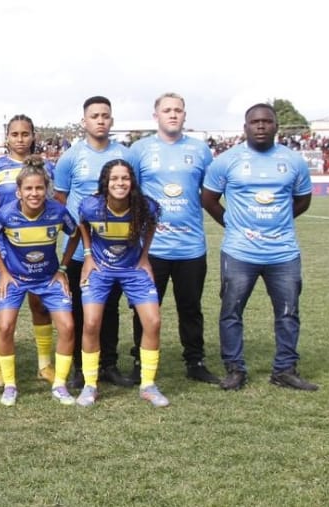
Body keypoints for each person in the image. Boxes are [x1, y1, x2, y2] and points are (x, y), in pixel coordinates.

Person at [201, 104, 316, 391]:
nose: (261, 126)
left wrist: (279, 223)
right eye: (255, 122)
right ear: (245, 127)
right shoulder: (227, 161)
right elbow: (209, 199)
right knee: (231, 311)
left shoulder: (294, 161)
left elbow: (302, 200)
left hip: (284, 253)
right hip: (240, 251)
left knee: (288, 312)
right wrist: (232, 224)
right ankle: (235, 369)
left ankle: (285, 369)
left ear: (276, 126)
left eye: (267, 121)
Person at [128, 93, 220, 384]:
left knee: (190, 307)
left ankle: (195, 361)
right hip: (151, 249)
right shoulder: (139, 150)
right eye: (166, 110)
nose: (172, 114)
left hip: (190, 246)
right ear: (155, 115)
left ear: (184, 115)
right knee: (144, 307)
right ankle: (140, 362)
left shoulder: (200, 150)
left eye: (178, 110)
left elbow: (209, 193)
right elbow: (132, 197)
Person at [0, 156, 81, 405]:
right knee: (5, 327)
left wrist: (62, 268)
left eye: (39, 188)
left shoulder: (58, 212)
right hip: (16, 279)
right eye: (28, 188)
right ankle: (10, 385)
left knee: (68, 327)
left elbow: (75, 233)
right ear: (18, 191)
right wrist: (3, 271)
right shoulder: (6, 215)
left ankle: (59, 384)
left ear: (46, 189)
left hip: (49, 279)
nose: (34, 193)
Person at [53, 96, 131, 389]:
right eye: (95, 115)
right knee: (76, 308)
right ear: (84, 121)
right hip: (77, 250)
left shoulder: (125, 154)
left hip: (114, 249)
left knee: (109, 307)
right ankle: (78, 367)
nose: (101, 120)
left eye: (106, 115)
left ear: (112, 120)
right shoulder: (71, 157)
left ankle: (108, 363)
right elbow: (61, 201)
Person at [75, 160, 168, 407]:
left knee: (153, 321)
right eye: (114, 178)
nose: (120, 183)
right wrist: (87, 256)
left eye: (125, 178)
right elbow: (82, 224)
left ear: (132, 182)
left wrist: (145, 256)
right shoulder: (91, 205)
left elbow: (151, 226)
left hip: (133, 268)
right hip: (100, 269)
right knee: (92, 322)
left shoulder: (145, 206)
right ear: (106, 182)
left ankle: (148, 385)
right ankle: (90, 386)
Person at [0, 114, 56, 386]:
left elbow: (55, 207)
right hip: (5, 251)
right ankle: (1, 368)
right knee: (2, 309)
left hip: (37, 249)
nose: (21, 139)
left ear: (33, 136)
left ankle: (44, 365)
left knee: (40, 304)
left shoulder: (47, 168)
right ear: (7, 138)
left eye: (26, 134)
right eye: (15, 134)